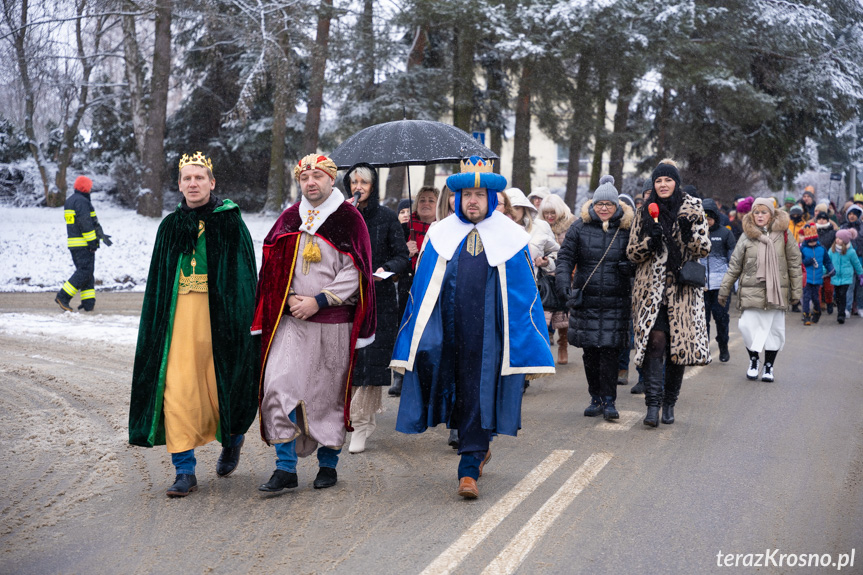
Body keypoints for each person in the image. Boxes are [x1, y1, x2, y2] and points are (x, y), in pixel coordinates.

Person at [390, 156, 555, 499]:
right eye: (467, 194)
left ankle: (468, 466)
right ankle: (476, 447)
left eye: (480, 194)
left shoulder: (510, 237)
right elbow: (422, 292)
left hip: (489, 335)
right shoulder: (439, 234)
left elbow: (524, 295)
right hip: (448, 331)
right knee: (455, 391)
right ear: (455, 199)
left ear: (492, 199)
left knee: (479, 391)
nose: (473, 200)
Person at [129, 152, 258, 497]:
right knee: (176, 390)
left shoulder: (230, 222)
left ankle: (232, 438)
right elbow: (158, 284)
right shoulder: (170, 227)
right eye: (187, 178)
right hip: (178, 325)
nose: (193, 183)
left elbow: (245, 278)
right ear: (179, 184)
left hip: (221, 324)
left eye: (199, 177)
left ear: (212, 182)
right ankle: (184, 470)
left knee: (222, 388)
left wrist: (243, 322)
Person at [253, 154, 375, 492]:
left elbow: (356, 271)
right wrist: (290, 297)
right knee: (278, 386)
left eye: (318, 176)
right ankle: (285, 468)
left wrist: (319, 300)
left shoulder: (349, 220)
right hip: (293, 323)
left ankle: (328, 465)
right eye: (305, 176)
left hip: (333, 324)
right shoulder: (290, 218)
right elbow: (273, 266)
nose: (310, 182)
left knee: (328, 396)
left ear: (330, 180)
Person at [627, 159, 711, 427]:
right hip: (651, 292)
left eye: (668, 180)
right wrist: (649, 242)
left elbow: (703, 249)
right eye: (658, 181)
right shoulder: (644, 212)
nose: (663, 185)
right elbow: (631, 252)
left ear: (676, 183)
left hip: (683, 292)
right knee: (655, 343)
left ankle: (669, 403)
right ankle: (652, 405)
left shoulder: (692, 208)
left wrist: (688, 234)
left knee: (679, 349)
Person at [555, 175, 633, 420]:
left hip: (616, 300)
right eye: (600, 204)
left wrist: (628, 267)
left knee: (609, 352)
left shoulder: (627, 228)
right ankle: (595, 397)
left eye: (609, 205)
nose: (604, 208)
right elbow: (566, 258)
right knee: (590, 353)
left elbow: (639, 258)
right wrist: (562, 281)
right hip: (586, 299)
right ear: (593, 205)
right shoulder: (579, 227)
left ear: (617, 206)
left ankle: (609, 401)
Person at [343, 163, 410, 453]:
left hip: (378, 297)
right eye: (354, 182)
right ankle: (350, 417)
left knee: (371, 361)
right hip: (345, 297)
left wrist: (386, 269)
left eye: (364, 182)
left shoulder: (386, 217)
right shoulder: (341, 216)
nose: (359, 187)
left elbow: (402, 256)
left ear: (374, 186)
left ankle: (361, 423)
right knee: (349, 362)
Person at [718, 199, 802, 382]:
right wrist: (724, 289)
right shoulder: (746, 236)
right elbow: (734, 265)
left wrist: (796, 292)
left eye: (764, 212)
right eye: (756, 212)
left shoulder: (784, 234)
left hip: (777, 292)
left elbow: (795, 263)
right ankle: (754, 360)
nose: (760, 216)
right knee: (746, 326)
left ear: (771, 214)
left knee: (774, 331)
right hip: (751, 291)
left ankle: (769, 366)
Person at [55, 176, 111, 312]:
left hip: (74, 244)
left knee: (87, 272)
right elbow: (85, 224)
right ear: (85, 187)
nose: (91, 188)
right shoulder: (82, 202)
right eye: (89, 186)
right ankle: (63, 296)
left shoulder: (71, 201)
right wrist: (92, 242)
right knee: (85, 271)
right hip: (83, 244)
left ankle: (88, 303)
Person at [539, 194, 576, 364]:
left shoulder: (571, 225)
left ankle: (563, 345)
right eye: (546, 213)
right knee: (543, 315)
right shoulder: (539, 227)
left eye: (552, 212)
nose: (549, 216)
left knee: (564, 315)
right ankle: (543, 351)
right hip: (544, 275)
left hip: (565, 275)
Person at [700, 198, 737, 362]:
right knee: (702, 320)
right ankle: (704, 350)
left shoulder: (725, 233)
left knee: (721, 318)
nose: (707, 221)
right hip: (700, 286)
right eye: (704, 217)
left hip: (721, 285)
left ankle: (723, 345)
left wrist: (733, 281)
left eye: (709, 218)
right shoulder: (697, 233)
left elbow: (733, 257)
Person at [505, 187, 558, 276]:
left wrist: (547, 262)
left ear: (524, 208)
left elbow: (558, 254)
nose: (513, 212)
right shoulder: (496, 229)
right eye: (510, 209)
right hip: (504, 285)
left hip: (533, 284)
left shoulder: (540, 227)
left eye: (517, 208)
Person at [799, 224, 834, 325]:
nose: (812, 243)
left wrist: (831, 270)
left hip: (818, 278)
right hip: (807, 278)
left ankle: (817, 312)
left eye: (814, 241)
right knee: (806, 297)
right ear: (807, 241)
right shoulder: (803, 249)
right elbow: (798, 261)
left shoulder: (821, 249)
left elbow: (827, 261)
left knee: (815, 298)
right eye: (810, 241)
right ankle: (806, 316)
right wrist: (807, 261)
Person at [829, 229, 863, 324]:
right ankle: (840, 310)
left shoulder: (851, 252)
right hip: (835, 277)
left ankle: (841, 314)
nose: (837, 240)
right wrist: (824, 272)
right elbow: (828, 262)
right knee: (837, 296)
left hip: (846, 277)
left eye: (840, 238)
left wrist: (861, 274)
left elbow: (856, 264)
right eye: (837, 238)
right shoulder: (832, 250)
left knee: (843, 295)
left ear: (845, 240)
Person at [839, 204, 863, 317]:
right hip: (847, 259)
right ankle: (847, 308)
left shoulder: (862, 227)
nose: (852, 216)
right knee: (850, 284)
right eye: (850, 214)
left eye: (854, 214)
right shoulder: (843, 227)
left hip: (860, 258)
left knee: (860, 284)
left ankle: (860, 307)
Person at [815, 211, 838, 314]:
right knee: (818, 287)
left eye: (824, 219)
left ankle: (829, 302)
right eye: (819, 218)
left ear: (828, 221)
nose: (821, 220)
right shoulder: (813, 231)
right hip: (816, 261)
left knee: (829, 288)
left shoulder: (833, 232)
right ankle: (818, 305)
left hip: (829, 261)